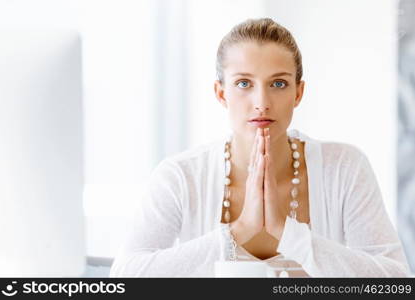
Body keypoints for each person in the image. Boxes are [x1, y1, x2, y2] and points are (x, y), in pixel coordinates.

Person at [110, 18, 410, 277]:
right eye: (243, 83)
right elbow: (125, 278)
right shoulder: (180, 175)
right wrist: (236, 233)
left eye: (278, 84)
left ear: (298, 92)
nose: (261, 103)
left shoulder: (344, 166)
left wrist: (288, 234)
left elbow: (395, 281)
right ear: (221, 93)